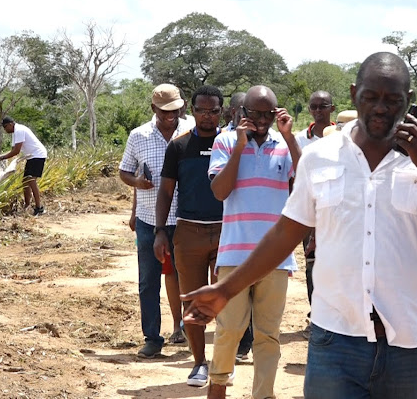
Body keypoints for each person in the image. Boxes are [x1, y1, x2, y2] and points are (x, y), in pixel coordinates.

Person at [183, 52, 417, 399]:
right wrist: (226, 290)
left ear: (409, 100)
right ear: (353, 94)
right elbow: (285, 233)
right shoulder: (320, 157)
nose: (381, 108)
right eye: (371, 98)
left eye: (393, 100)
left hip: (408, 343)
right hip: (335, 342)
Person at [202, 85, 301, 399]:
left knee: (268, 335)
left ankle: (263, 394)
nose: (260, 120)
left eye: (267, 114)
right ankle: (218, 384)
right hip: (235, 254)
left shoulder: (284, 145)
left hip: (276, 257)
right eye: (254, 113)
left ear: (276, 114)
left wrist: (289, 137)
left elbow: (308, 183)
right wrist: (240, 147)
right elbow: (220, 191)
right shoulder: (226, 141)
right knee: (229, 328)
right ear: (240, 114)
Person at [153, 85, 225, 387]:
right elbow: (166, 191)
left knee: (227, 301)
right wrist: (159, 232)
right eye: (201, 110)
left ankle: (224, 362)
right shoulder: (179, 147)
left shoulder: (231, 143)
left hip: (227, 231)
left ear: (223, 112)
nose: (207, 116)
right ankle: (199, 364)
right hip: (189, 232)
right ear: (190, 111)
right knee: (193, 301)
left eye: (213, 110)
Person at [119, 83, 194, 358]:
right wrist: (137, 182)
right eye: (164, 112)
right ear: (154, 109)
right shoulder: (138, 135)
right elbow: (124, 171)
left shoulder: (193, 130)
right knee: (148, 281)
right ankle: (152, 338)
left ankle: (188, 330)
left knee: (188, 279)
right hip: (149, 220)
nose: (170, 116)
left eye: (175, 110)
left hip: (187, 219)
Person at [293, 91, 336, 329]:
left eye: (323, 106)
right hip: (310, 210)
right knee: (312, 264)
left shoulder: (341, 137)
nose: (318, 111)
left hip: (336, 210)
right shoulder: (300, 139)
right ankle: (316, 317)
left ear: (332, 108)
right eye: (314, 107)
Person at [0, 117, 48, 216]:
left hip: (37, 155)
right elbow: (13, 150)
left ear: (11, 124)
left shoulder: (19, 130)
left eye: (5, 127)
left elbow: (16, 151)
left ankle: (39, 208)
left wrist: (1, 157)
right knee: (26, 181)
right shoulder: (15, 133)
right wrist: (0, 157)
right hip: (32, 156)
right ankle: (27, 206)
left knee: (31, 180)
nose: (5, 129)